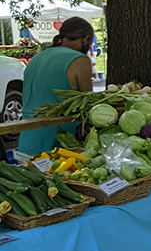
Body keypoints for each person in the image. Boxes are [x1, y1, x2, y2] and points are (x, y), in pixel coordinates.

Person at [19, 17, 95, 156]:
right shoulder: (80, 60)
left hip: (28, 140)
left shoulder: (37, 58)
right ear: (86, 39)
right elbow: (88, 103)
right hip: (61, 145)